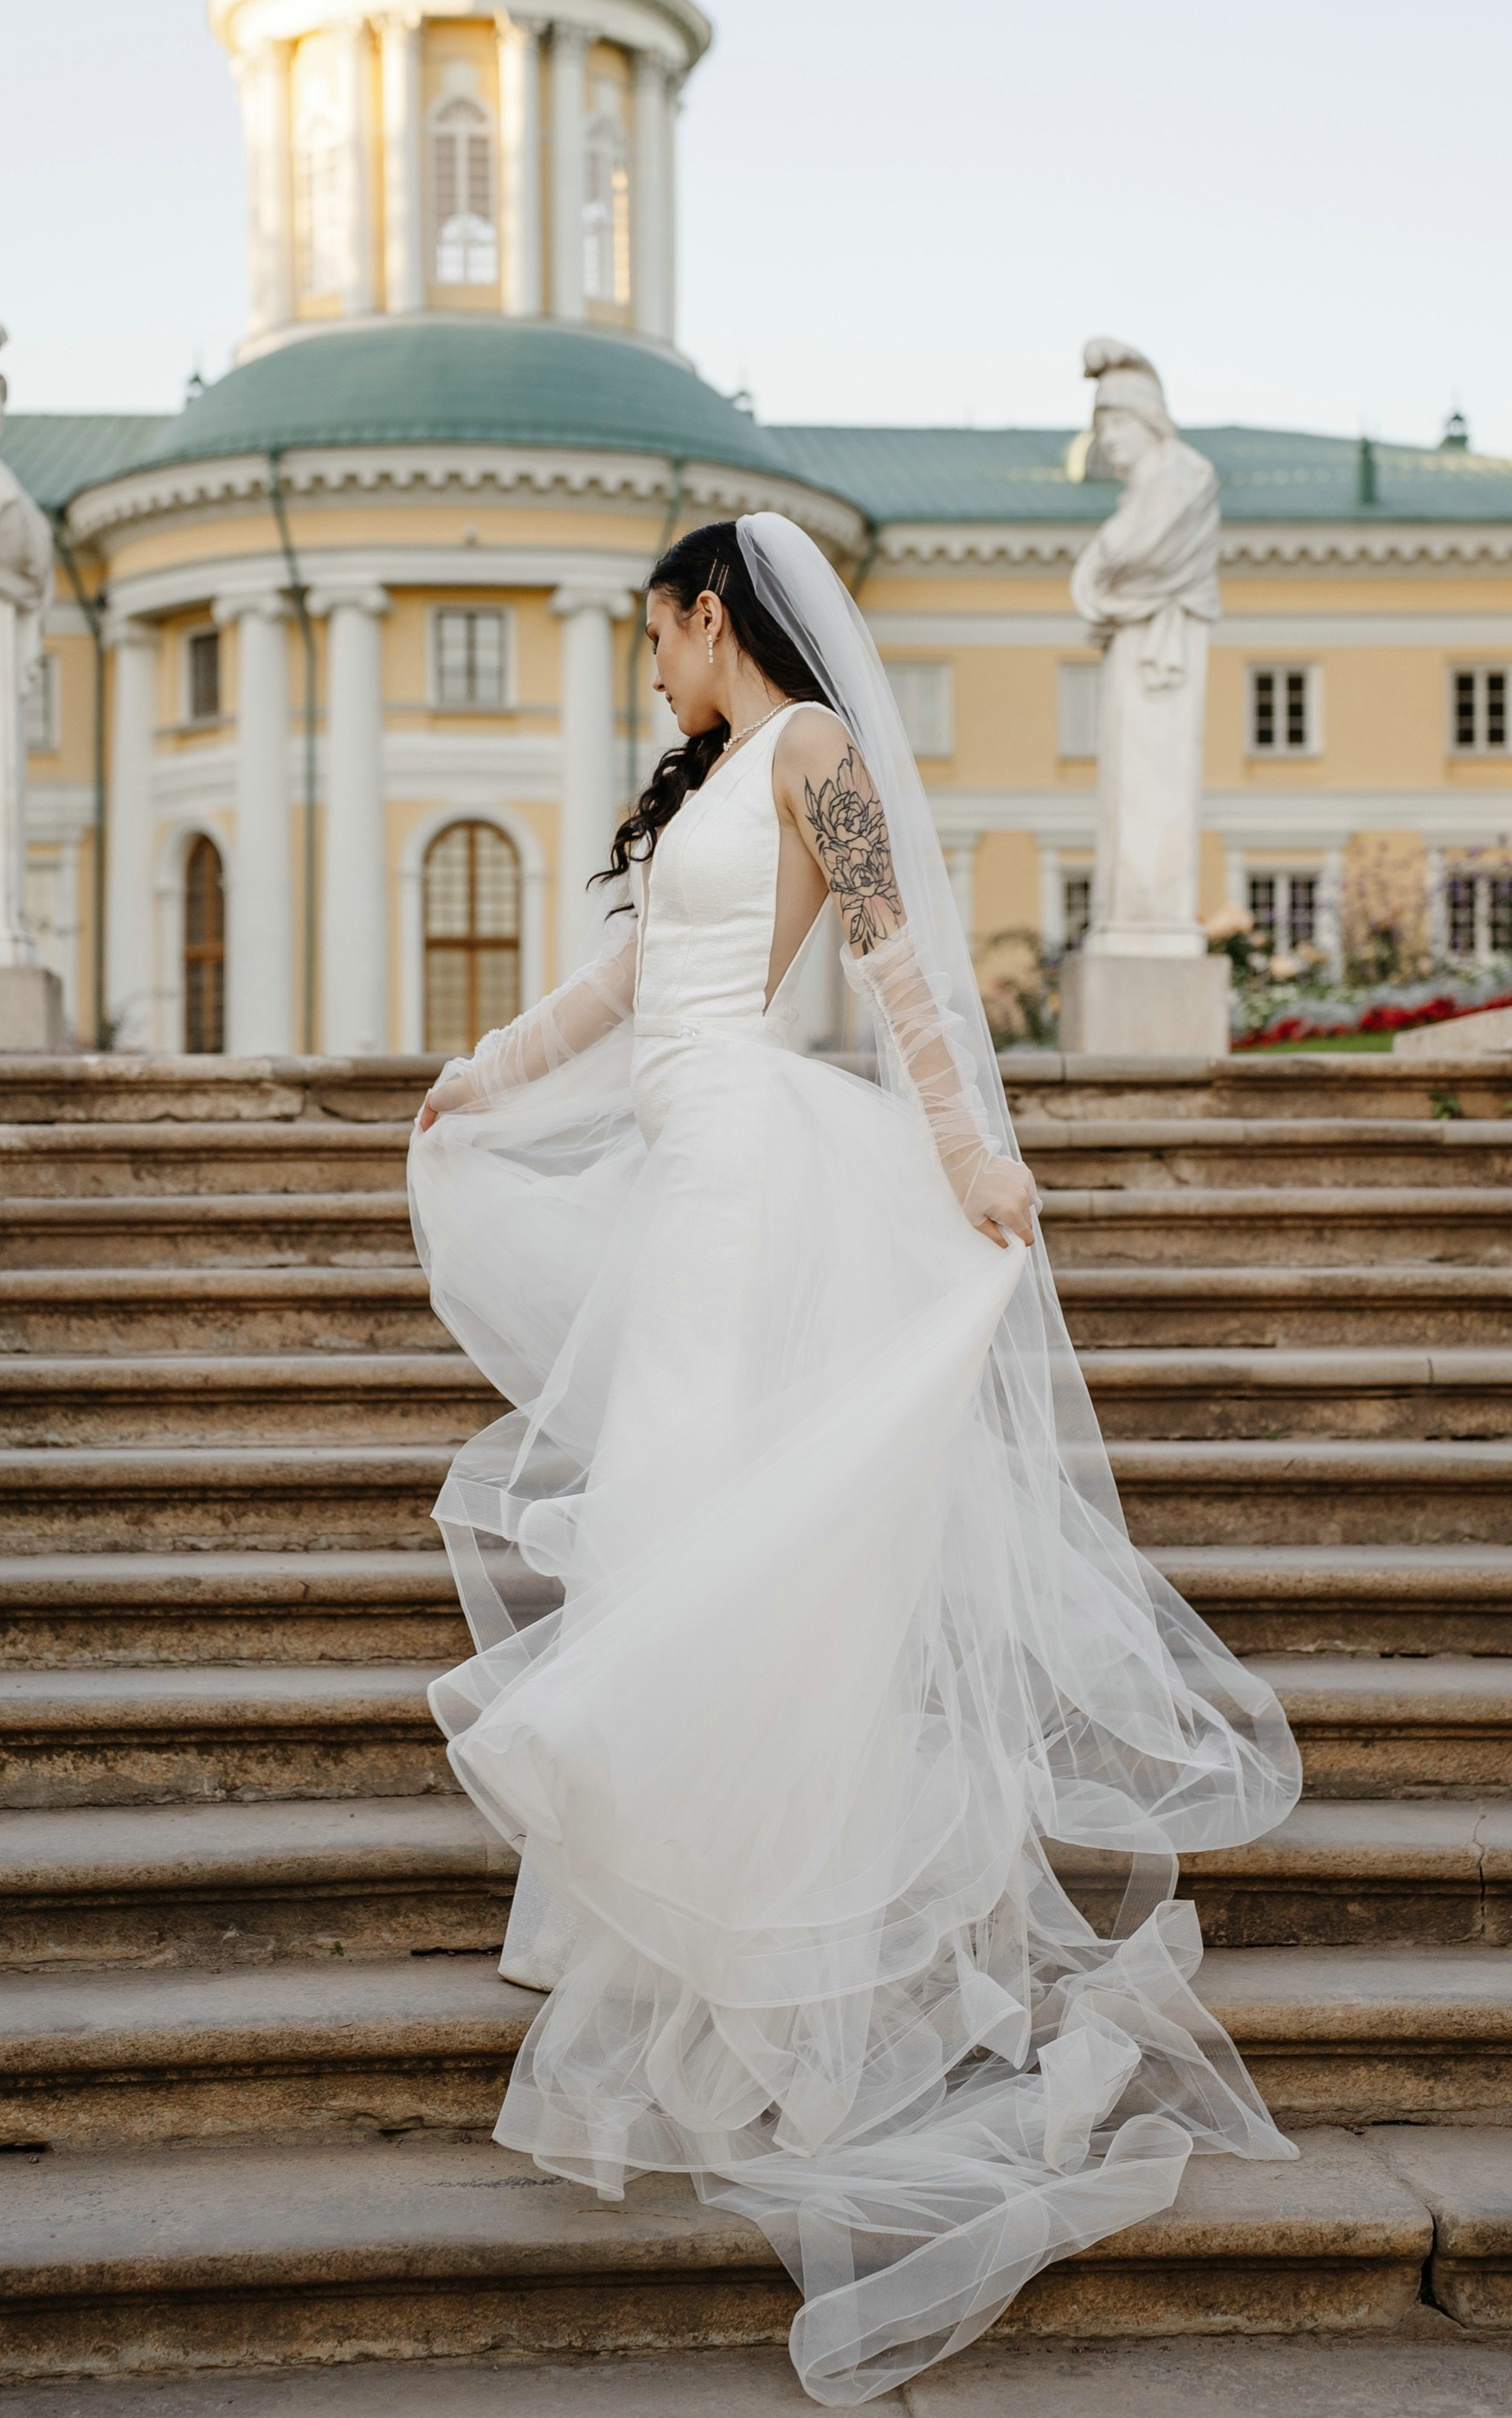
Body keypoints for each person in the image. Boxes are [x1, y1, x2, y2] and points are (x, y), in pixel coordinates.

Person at [408, 512, 1300, 2407]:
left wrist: (970, 1152)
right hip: (676, 1171)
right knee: (659, 1527)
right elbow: (624, 990)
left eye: (655, 633)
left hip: (746, 1173)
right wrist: (486, 1066)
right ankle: (669, 1918)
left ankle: (767, 1961)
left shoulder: (808, 754)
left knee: (709, 1535)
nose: (649, 668)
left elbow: (895, 963)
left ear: (709, 613)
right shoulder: (712, 775)